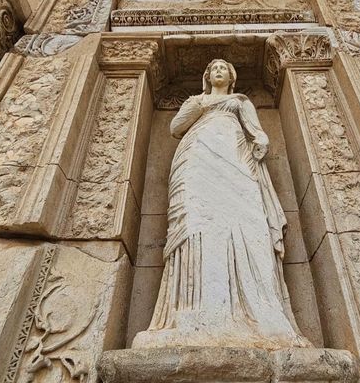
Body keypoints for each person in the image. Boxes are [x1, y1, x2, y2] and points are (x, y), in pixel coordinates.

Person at [133, 59, 310, 349]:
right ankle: (190, 310)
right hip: (197, 158)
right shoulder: (198, 101)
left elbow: (258, 132)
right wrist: (197, 106)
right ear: (206, 76)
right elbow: (175, 127)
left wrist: (261, 142)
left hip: (235, 157)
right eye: (212, 68)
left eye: (223, 68)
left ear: (231, 77)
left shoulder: (240, 102)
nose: (217, 70)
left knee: (247, 221)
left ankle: (258, 310)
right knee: (196, 224)